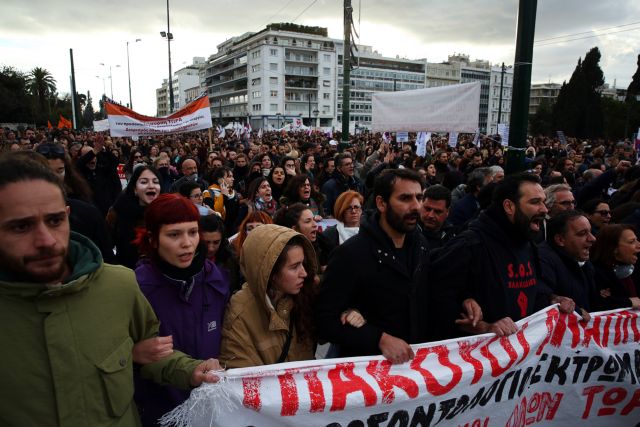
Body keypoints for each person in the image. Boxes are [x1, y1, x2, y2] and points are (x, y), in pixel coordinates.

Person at [0, 158, 220, 426]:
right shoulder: (141, 280)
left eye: (55, 220)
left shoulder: (118, 285)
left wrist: (192, 370)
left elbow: (156, 354)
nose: (46, 240)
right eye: (21, 227)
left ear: (68, 215)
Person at [316, 169, 454, 363]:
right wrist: (379, 339)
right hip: (370, 375)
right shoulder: (350, 254)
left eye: (419, 197)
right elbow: (325, 321)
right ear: (382, 203)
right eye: (405, 198)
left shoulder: (420, 244)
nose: (416, 206)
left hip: (415, 368)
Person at [430, 172, 576, 339]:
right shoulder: (470, 245)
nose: (544, 209)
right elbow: (437, 301)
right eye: (535, 202)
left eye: (543, 202)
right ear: (509, 207)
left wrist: (552, 299)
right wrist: (486, 327)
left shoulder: (528, 244)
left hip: (518, 356)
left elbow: (530, 294)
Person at [133, 194, 230, 426]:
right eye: (174, 234)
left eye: (193, 232)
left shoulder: (215, 278)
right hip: (160, 411)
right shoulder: (137, 287)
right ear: (153, 239)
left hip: (211, 408)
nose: (187, 243)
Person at [219, 225, 318, 368]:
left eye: (303, 264)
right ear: (270, 272)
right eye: (294, 266)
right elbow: (243, 379)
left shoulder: (303, 298)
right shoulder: (240, 315)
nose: (304, 273)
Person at [538, 211, 597, 317]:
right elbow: (541, 300)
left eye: (590, 232)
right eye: (582, 234)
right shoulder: (543, 260)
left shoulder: (583, 262)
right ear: (560, 239)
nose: (592, 238)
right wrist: (577, 312)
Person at [107, 166, 161, 268]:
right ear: (135, 189)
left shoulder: (168, 212)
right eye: (144, 182)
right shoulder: (119, 209)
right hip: (127, 271)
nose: (151, 186)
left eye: (155, 182)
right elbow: (106, 244)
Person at [591, 224, 640, 309]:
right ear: (614, 248)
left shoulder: (634, 269)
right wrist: (629, 302)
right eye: (631, 242)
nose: (638, 245)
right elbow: (598, 303)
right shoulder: (595, 273)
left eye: (637, 240)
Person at [200, 214, 241, 293]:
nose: (210, 248)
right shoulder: (188, 261)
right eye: (206, 243)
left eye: (216, 242)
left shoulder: (231, 260)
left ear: (222, 241)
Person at [420, 184, 455, 251]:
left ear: (447, 212)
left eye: (437, 212)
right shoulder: (406, 232)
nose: (431, 215)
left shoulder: (451, 238)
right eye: (427, 209)